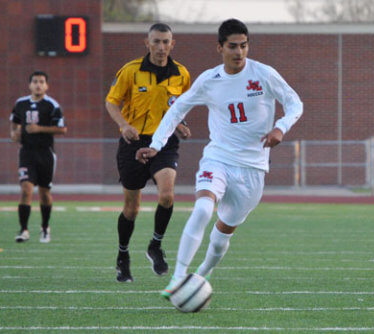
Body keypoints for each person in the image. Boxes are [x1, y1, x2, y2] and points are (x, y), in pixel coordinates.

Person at [135, 18, 303, 298]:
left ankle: (202, 273)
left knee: (220, 236)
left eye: (244, 46)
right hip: (219, 159)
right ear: (220, 48)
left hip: (253, 169)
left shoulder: (263, 74)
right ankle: (177, 278)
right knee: (202, 209)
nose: (239, 52)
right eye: (233, 46)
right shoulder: (209, 80)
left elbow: (294, 102)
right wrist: (156, 144)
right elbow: (177, 110)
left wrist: (280, 127)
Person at [105, 23, 191, 283]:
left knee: (167, 195)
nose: (161, 47)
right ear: (147, 43)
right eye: (156, 41)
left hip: (163, 142)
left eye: (166, 41)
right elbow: (111, 102)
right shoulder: (131, 71)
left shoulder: (182, 74)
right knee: (131, 209)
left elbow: (180, 106)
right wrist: (123, 125)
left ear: (172, 44)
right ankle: (122, 256)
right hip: (133, 143)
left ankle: (155, 245)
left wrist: (179, 125)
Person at [9, 70, 67, 244]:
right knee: (26, 189)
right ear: (29, 84)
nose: (38, 84)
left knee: (44, 192)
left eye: (42, 81)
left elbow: (62, 129)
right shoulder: (21, 103)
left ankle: (44, 227)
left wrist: (39, 128)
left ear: (46, 85)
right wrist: (14, 132)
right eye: (35, 81)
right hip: (26, 152)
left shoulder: (52, 105)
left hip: (45, 153)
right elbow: (14, 121)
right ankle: (24, 230)